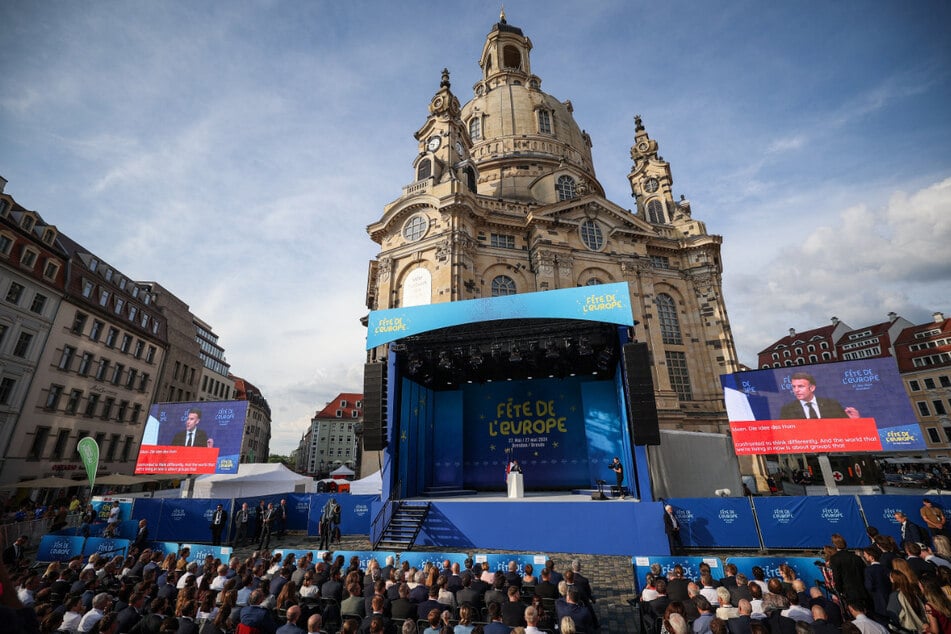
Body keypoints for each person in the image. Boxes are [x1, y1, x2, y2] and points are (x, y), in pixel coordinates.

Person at [779, 372, 859, 419]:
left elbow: (845, 429)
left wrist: (855, 421)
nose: (796, 390)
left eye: (801, 386)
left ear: (812, 388)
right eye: (794, 387)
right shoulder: (787, 410)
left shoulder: (832, 404)